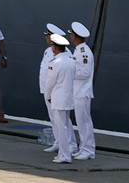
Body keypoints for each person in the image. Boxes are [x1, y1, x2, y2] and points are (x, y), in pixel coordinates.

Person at [45, 33, 76, 163]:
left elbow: (50, 83)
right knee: (64, 126)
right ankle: (64, 154)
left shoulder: (55, 63)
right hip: (68, 97)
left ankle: (65, 155)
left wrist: (48, 96)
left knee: (61, 128)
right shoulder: (71, 61)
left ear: (55, 48)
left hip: (58, 99)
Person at [69, 21, 95, 160]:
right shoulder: (78, 50)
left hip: (82, 92)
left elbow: (84, 72)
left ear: (76, 36)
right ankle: (83, 147)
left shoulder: (84, 52)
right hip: (77, 91)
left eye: (72, 34)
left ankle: (88, 150)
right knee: (80, 122)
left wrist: (69, 73)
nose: (70, 37)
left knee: (84, 122)